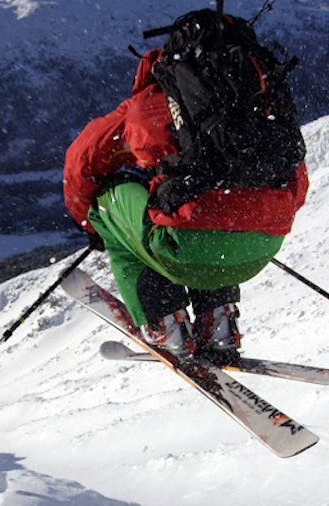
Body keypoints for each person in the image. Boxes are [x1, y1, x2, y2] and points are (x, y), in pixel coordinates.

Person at [63, 37, 308, 367]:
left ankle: (163, 322)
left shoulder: (148, 105)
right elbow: (296, 183)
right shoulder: (256, 107)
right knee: (215, 205)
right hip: (260, 251)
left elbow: (81, 164)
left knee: (108, 202)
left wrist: (92, 226)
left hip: (188, 250)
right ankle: (218, 322)